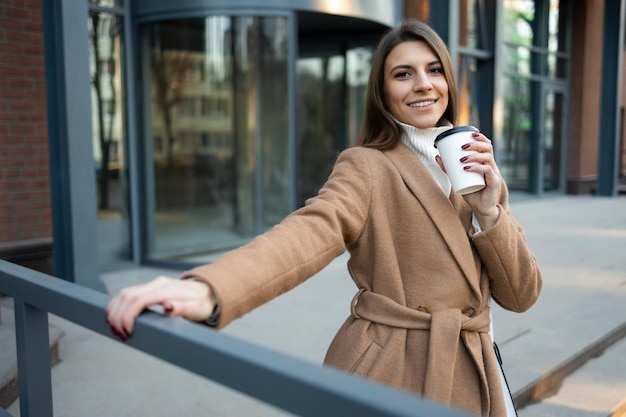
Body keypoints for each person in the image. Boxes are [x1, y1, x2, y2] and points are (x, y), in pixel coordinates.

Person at [106, 19, 542, 417]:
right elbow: (313, 229)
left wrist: (491, 211)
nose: (423, 85)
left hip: (475, 367)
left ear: (450, 78)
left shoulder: (474, 164)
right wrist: (211, 289)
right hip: (396, 369)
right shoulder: (367, 165)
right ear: (382, 90)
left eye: (434, 70)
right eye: (403, 73)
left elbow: (522, 295)